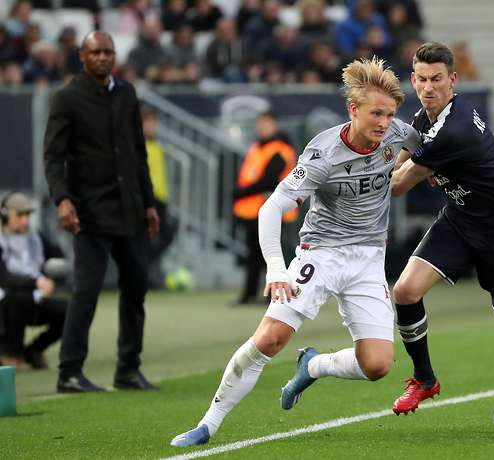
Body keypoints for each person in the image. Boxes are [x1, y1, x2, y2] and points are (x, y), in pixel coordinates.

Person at [170, 56, 420, 447]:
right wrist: (275, 268)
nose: (385, 123)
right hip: (321, 254)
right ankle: (208, 424)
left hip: (369, 258)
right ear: (353, 109)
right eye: (376, 113)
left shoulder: (398, 133)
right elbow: (271, 208)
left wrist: (419, 171)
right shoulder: (322, 154)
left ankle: (313, 365)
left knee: (377, 365)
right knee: (270, 338)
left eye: (390, 115)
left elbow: (424, 149)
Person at [389, 42, 494, 415]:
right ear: (413, 80)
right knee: (405, 291)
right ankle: (425, 380)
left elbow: (395, 185)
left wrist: (351, 176)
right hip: (461, 217)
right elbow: (398, 163)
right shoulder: (424, 119)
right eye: (422, 79)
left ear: (453, 80)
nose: (428, 87)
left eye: (436, 79)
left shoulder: (453, 130)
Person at [43, 31, 160, 393]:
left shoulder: (126, 93)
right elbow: (53, 157)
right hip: (90, 210)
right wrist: (62, 200)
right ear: (82, 56)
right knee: (86, 292)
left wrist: (149, 202)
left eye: (108, 51)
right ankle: (69, 372)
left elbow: (138, 152)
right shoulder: (66, 97)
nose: (103, 57)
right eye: (95, 52)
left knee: (136, 290)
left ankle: (128, 370)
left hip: (130, 209)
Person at [233, 112, 298, 305]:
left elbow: (269, 180)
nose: (262, 128)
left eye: (266, 124)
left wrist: (241, 193)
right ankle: (249, 294)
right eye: (260, 124)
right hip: (254, 210)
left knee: (274, 256)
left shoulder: (280, 149)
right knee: (254, 255)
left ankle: (277, 295)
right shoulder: (257, 147)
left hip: (276, 212)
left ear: (275, 125)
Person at [0, 192, 67, 370]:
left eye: (28, 215)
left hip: (33, 299)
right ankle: (10, 354)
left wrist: (51, 279)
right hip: (5, 303)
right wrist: (36, 283)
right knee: (18, 299)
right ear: (5, 216)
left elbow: (57, 256)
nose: (25, 220)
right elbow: (4, 278)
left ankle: (33, 351)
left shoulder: (35, 237)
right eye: (20, 215)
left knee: (67, 311)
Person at [142, 106, 177, 289]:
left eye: (153, 121)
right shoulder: (139, 146)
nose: (151, 125)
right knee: (149, 238)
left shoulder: (157, 145)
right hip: (148, 199)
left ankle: (148, 270)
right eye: (147, 122)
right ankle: (145, 275)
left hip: (161, 198)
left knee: (167, 234)